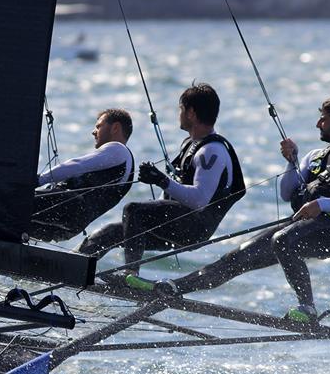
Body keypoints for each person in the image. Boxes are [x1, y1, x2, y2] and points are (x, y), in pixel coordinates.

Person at [128, 96, 330, 324]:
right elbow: (286, 193)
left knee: (282, 240)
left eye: (323, 120)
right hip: (298, 227)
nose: (318, 124)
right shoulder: (315, 156)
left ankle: (307, 308)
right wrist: (291, 163)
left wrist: (322, 204)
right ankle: (175, 287)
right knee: (237, 257)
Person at [77, 83, 245, 275]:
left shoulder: (212, 151)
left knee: (133, 210)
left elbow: (199, 200)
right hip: (174, 222)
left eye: (181, 109)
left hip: (194, 229)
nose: (179, 114)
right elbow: (172, 195)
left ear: (191, 112)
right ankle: (73, 268)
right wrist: (157, 196)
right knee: (107, 234)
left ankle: (130, 275)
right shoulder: (191, 144)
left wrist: (161, 180)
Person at [28, 108, 134, 242]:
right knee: (16, 226)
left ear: (115, 128)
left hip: (67, 205)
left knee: (13, 200)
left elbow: (77, 165)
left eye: (99, 126)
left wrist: (37, 180)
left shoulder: (118, 150)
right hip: (72, 226)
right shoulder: (126, 165)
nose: (93, 131)